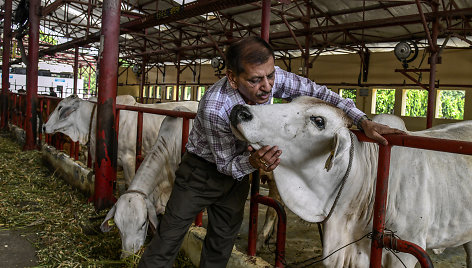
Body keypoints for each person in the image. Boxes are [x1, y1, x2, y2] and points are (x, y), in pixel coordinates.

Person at [138, 36, 404, 268]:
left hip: (238, 179)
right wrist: (254, 161)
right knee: (168, 238)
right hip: (201, 173)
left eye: (270, 75)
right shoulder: (214, 107)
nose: (266, 86)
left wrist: (362, 120)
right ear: (232, 78)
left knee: (221, 244)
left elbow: (320, 93)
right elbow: (226, 165)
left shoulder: (270, 79)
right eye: (255, 80)